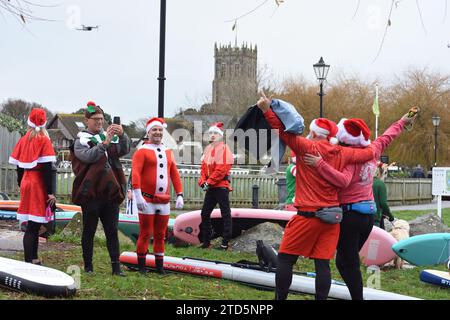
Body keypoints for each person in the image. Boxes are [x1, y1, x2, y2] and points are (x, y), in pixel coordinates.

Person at [257, 92, 376, 300]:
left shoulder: (306, 147)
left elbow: (282, 132)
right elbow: (369, 153)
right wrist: (373, 142)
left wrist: (267, 109)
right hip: (331, 219)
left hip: (307, 216)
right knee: (322, 264)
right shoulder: (343, 152)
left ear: (312, 132)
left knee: (285, 259)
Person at [303, 113, 416, 300]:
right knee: (345, 261)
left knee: (349, 263)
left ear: (345, 139)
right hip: (368, 217)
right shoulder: (372, 149)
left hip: (351, 216)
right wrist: (402, 121)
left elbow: (343, 181)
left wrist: (320, 164)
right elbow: (387, 136)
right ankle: (356, 295)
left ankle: (358, 298)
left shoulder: (350, 158)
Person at [70, 101, 131, 276]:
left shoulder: (108, 136)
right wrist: (105, 143)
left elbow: (123, 149)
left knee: (112, 230)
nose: (99, 122)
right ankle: (88, 267)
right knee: (89, 231)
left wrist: (123, 135)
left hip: (110, 192)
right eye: (95, 119)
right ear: (87, 121)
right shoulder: (81, 140)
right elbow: (88, 157)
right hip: (90, 193)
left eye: (102, 119)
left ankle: (116, 268)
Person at [131, 117, 184, 274]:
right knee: (146, 233)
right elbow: (136, 173)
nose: (158, 132)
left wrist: (179, 194)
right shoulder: (142, 151)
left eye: (160, 130)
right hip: (147, 200)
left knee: (161, 235)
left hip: (164, 200)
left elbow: (174, 173)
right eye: (154, 130)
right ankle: (142, 267)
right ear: (148, 133)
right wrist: (138, 195)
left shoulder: (168, 151)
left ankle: (159, 267)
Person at [9, 108, 57, 265]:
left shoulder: (23, 139)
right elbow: (46, 168)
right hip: (37, 182)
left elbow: (18, 168)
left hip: (26, 181)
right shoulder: (43, 139)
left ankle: (32, 258)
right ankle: (30, 260)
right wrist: (50, 193)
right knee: (34, 226)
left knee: (31, 224)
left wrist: (22, 185)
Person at [198, 122, 234, 250]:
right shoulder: (208, 150)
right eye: (211, 133)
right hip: (211, 187)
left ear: (220, 136)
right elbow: (203, 168)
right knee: (205, 213)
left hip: (221, 187)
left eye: (215, 133)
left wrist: (209, 182)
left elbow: (221, 169)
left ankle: (225, 242)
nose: (212, 135)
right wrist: (202, 181)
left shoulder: (224, 149)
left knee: (225, 214)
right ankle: (207, 242)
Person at [373, 162, 395, 229]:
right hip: (375, 218)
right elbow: (383, 203)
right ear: (380, 172)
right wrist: (390, 216)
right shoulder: (380, 184)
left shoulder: (364, 182)